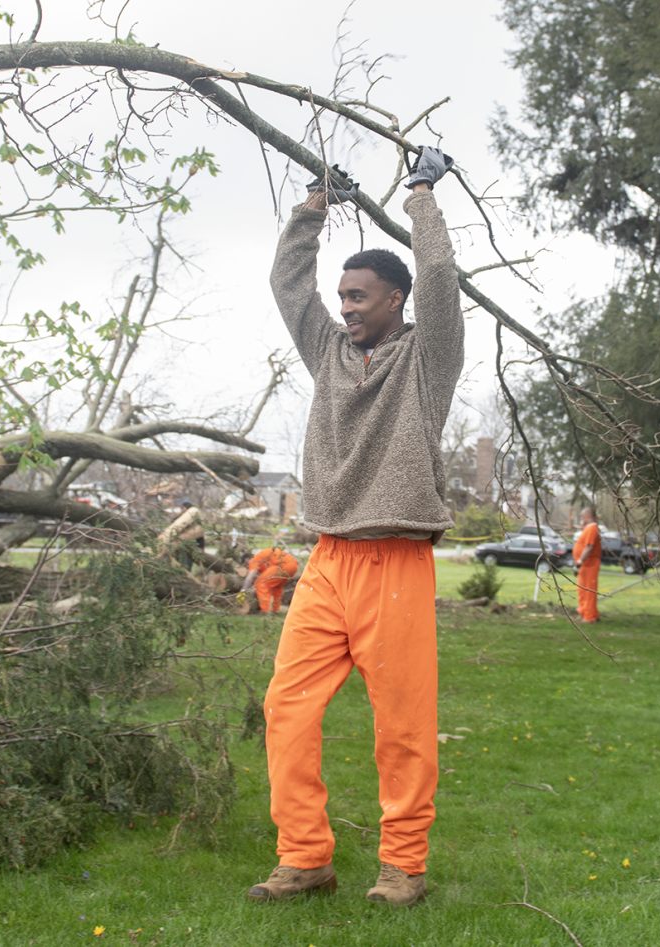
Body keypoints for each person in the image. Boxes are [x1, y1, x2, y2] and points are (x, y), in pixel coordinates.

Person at [246, 146, 463, 907]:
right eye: (343, 295)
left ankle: (403, 865)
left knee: (403, 725)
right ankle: (305, 855)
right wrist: (315, 203)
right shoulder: (328, 352)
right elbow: (287, 283)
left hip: (397, 562)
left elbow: (440, 278)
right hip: (329, 560)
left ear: (398, 300)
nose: (347, 306)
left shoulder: (427, 361)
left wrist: (422, 194)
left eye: (362, 295)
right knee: (286, 706)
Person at [242, 546, 301, 613]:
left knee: (260, 584)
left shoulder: (254, 560)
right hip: (293, 566)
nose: (248, 567)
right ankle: (275, 609)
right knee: (276, 587)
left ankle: (265, 610)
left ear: (247, 561)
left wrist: (243, 591)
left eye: (246, 565)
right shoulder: (261, 556)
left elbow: (250, 577)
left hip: (282, 566)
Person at [572, 507, 601, 623]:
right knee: (582, 590)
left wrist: (579, 562)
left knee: (589, 591)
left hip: (590, 564)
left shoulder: (593, 528)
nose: (581, 519)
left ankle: (590, 617)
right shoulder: (587, 529)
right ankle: (584, 612)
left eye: (582, 517)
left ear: (588, 517)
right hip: (584, 565)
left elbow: (589, 547)